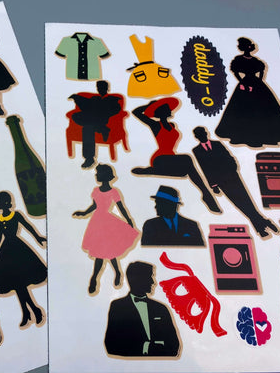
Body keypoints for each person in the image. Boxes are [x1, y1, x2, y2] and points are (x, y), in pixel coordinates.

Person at [131, 97, 220, 213]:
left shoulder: (172, 126)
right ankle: (206, 194)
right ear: (161, 112)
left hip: (172, 160)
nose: (170, 109)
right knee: (187, 159)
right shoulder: (156, 125)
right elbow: (136, 112)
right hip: (160, 158)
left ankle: (151, 171)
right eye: (166, 108)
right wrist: (149, 106)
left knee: (186, 172)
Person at [192, 126, 277, 238]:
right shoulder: (196, 151)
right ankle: (264, 223)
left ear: (206, 133)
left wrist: (233, 168)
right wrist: (213, 185)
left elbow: (229, 156)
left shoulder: (217, 144)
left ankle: (261, 228)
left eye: (203, 133)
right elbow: (205, 168)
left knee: (247, 202)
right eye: (199, 135)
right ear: (197, 137)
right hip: (221, 183)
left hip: (233, 177)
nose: (202, 136)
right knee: (240, 205)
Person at [215, 37, 280, 147]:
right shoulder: (239, 59)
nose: (248, 48)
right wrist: (243, 83)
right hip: (245, 84)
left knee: (263, 109)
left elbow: (261, 71)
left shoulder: (255, 60)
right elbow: (236, 72)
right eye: (246, 46)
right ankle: (242, 135)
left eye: (249, 46)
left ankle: (265, 135)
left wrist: (258, 82)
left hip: (257, 85)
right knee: (242, 109)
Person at [73, 164, 139, 294]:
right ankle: (98, 277)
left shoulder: (114, 192)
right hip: (97, 223)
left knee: (108, 252)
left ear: (104, 175)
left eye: (98, 173)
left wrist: (129, 219)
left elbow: (121, 207)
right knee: (101, 252)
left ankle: (109, 274)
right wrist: (84, 213)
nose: (96, 175)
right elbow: (94, 206)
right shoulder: (96, 191)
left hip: (108, 225)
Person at [0, 191, 47, 328]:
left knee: (19, 285)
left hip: (19, 251)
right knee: (18, 285)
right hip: (6, 253)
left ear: (5, 202)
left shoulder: (16, 215)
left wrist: (38, 237)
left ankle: (29, 312)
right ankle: (32, 311)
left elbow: (28, 226)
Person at [104, 261, 181, 358]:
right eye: (150, 277)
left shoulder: (161, 309)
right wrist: (146, 347)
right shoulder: (118, 307)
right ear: (137, 279)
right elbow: (111, 345)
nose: (154, 282)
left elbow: (174, 346)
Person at [68, 80, 124, 168]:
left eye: (102, 88)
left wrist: (103, 109)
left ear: (107, 88)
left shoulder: (112, 99)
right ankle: (103, 129)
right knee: (77, 117)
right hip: (93, 121)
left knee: (87, 128)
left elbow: (116, 110)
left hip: (102, 120)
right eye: (98, 88)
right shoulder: (95, 98)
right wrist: (76, 97)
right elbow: (86, 105)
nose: (100, 89)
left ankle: (89, 158)